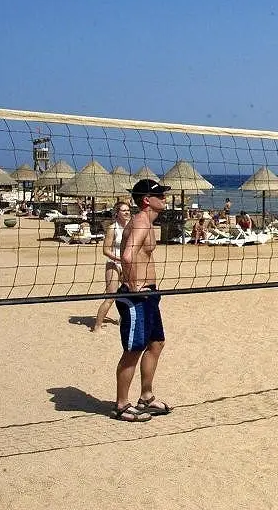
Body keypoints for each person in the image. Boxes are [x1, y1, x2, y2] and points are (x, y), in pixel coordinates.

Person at [112, 179, 173, 422]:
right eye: (160, 195)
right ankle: (121, 405)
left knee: (156, 343)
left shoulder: (146, 222)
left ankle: (146, 396)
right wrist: (134, 285)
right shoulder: (140, 222)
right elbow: (127, 257)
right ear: (147, 200)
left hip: (149, 294)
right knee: (133, 350)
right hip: (136, 296)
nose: (165, 198)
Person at [93, 201, 131, 333]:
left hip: (127, 264)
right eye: (123, 210)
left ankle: (123, 319)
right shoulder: (112, 228)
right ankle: (97, 326)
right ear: (117, 213)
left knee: (129, 294)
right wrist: (119, 259)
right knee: (111, 297)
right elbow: (105, 250)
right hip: (114, 263)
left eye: (128, 210)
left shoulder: (131, 226)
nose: (127, 212)